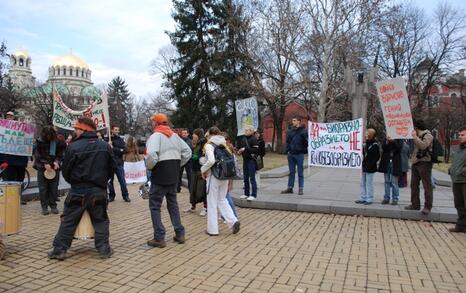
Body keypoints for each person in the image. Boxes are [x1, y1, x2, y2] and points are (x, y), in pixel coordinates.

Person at [48, 117, 115, 260]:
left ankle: (59, 250)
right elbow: (111, 168)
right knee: (101, 220)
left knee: (69, 220)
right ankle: (104, 249)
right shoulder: (105, 146)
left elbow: (66, 170)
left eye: (77, 129)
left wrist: (74, 182)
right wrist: (102, 181)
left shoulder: (73, 147)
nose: (75, 131)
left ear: (83, 130)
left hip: (79, 190)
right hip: (98, 190)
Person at [145, 113, 192, 248]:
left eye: (153, 122)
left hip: (159, 175)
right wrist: (177, 165)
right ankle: (180, 233)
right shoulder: (175, 136)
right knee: (173, 204)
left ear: (156, 123)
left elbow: (152, 155)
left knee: (155, 206)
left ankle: (159, 237)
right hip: (173, 175)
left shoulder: (155, 136)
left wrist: (149, 167)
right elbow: (187, 152)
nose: (152, 124)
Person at [201, 126, 240, 236]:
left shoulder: (209, 145)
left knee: (212, 202)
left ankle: (212, 230)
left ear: (210, 134)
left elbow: (211, 160)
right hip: (225, 176)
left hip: (213, 176)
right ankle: (233, 221)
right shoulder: (224, 144)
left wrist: (202, 169)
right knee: (222, 200)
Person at [33, 125, 66, 215]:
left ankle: (53, 205)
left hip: (54, 167)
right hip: (42, 167)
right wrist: (45, 163)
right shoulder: (39, 141)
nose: (48, 137)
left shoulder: (58, 141)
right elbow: (37, 154)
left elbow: (61, 153)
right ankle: (44, 206)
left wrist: (57, 161)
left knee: (54, 187)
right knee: (43, 188)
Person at [405, 119, 434, 215]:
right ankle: (415, 204)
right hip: (416, 162)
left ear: (417, 128)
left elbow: (423, 146)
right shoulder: (417, 136)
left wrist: (415, 137)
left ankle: (427, 206)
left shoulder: (428, 135)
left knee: (427, 186)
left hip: (425, 163)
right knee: (414, 184)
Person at [0, 111, 29, 205]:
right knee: (9, 182)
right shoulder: (2, 130)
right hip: (8, 162)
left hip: (20, 162)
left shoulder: (20, 130)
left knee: (20, 181)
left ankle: (19, 198)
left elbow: (26, 143)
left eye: (11, 116)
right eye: (7, 116)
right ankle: (10, 200)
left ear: (14, 117)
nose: (9, 118)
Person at [281, 116, 308, 195]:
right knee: (291, 172)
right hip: (291, 154)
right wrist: (288, 151)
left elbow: (306, 142)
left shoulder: (303, 131)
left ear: (299, 121)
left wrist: (303, 150)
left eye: (294, 120)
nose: (293, 122)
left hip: (299, 154)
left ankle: (300, 188)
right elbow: (288, 142)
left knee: (300, 172)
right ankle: (290, 188)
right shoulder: (290, 131)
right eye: (292, 120)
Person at [185, 128, 207, 216]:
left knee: (201, 190)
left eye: (194, 134)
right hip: (194, 169)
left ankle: (205, 208)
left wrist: (193, 156)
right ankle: (193, 207)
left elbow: (202, 157)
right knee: (193, 189)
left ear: (198, 135)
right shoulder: (195, 144)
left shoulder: (203, 144)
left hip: (201, 170)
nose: (192, 136)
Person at [448, 126, 466, 233]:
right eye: (459, 135)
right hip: (456, 180)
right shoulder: (459, 148)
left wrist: (462, 171)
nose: (459, 137)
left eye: (462, 135)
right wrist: (451, 169)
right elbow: (456, 162)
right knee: (459, 204)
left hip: (464, 180)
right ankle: (461, 225)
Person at [355, 128, 380, 205]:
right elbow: (364, 154)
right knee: (362, 183)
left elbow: (377, 157)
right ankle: (363, 197)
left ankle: (369, 198)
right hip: (364, 166)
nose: (365, 135)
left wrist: (370, 164)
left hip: (370, 167)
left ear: (370, 135)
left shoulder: (375, 145)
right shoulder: (366, 144)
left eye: (367, 133)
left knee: (369, 183)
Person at [106, 126, 130, 202]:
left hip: (119, 163)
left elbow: (124, 150)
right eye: (115, 130)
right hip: (109, 164)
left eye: (118, 130)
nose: (117, 131)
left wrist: (113, 148)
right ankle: (111, 195)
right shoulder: (107, 140)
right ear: (112, 130)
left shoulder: (120, 140)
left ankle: (125, 195)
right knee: (110, 182)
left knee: (122, 180)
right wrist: (108, 146)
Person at [378, 137, 402, 205]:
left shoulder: (399, 138)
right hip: (386, 161)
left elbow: (399, 148)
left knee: (394, 182)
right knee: (387, 181)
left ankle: (395, 198)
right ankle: (386, 198)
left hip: (395, 162)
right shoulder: (386, 137)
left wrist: (393, 141)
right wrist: (387, 142)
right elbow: (383, 147)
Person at [238, 126, 259, 201]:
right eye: (245, 130)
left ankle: (253, 194)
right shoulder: (243, 139)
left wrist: (245, 149)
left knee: (252, 178)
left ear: (252, 131)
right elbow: (241, 148)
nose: (245, 131)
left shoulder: (254, 139)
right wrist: (240, 151)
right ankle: (246, 193)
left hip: (251, 160)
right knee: (245, 178)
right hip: (245, 160)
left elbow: (256, 150)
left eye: (247, 130)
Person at [177, 129, 193, 193]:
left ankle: (190, 189)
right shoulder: (179, 141)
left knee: (189, 175)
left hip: (189, 161)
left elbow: (192, 150)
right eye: (183, 133)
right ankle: (178, 188)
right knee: (179, 175)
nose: (184, 134)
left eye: (185, 133)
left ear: (188, 134)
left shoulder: (190, 141)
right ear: (181, 134)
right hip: (181, 160)